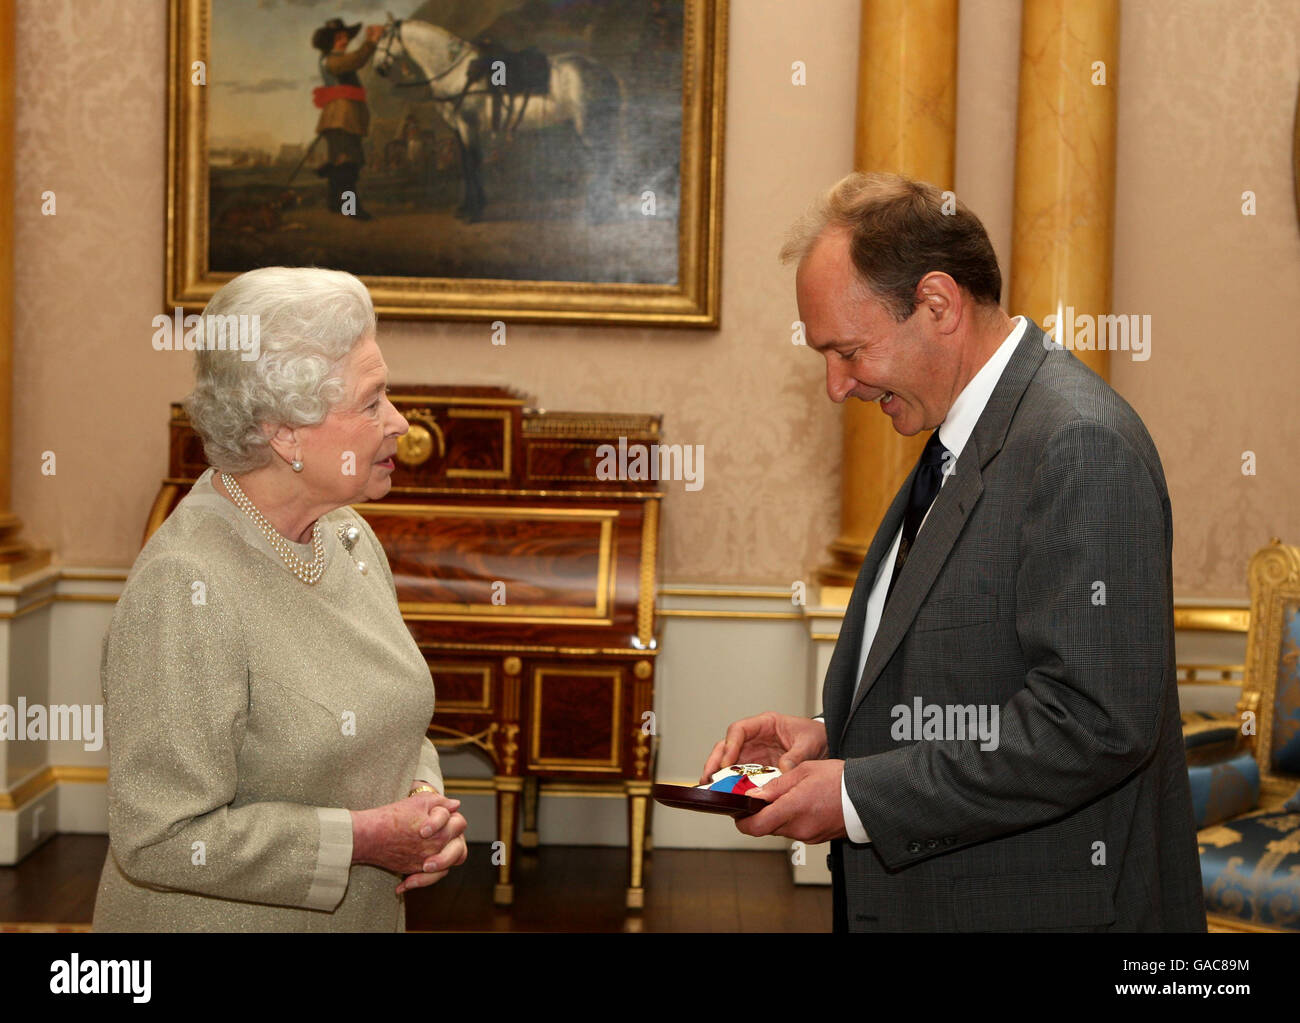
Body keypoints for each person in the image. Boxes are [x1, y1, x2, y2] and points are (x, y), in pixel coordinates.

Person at [702, 172, 1206, 932]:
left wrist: (854, 794)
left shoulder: (1079, 443)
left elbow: (1090, 722)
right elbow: (976, 674)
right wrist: (837, 734)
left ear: (937, 304)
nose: (837, 386)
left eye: (848, 351)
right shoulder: (961, 436)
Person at [93, 267, 466, 931]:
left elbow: (390, 712)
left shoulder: (348, 536)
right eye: (372, 401)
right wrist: (365, 837)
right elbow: (158, 836)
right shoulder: (185, 582)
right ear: (284, 431)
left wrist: (423, 802)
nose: (400, 424)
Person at [311, 18, 383, 220]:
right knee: (348, 166)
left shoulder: (336, 59)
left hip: (345, 119)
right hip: (340, 120)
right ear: (329, 41)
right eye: (339, 37)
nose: (344, 41)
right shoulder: (332, 60)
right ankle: (350, 208)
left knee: (341, 164)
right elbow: (357, 59)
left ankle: (335, 203)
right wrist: (371, 42)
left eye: (345, 37)